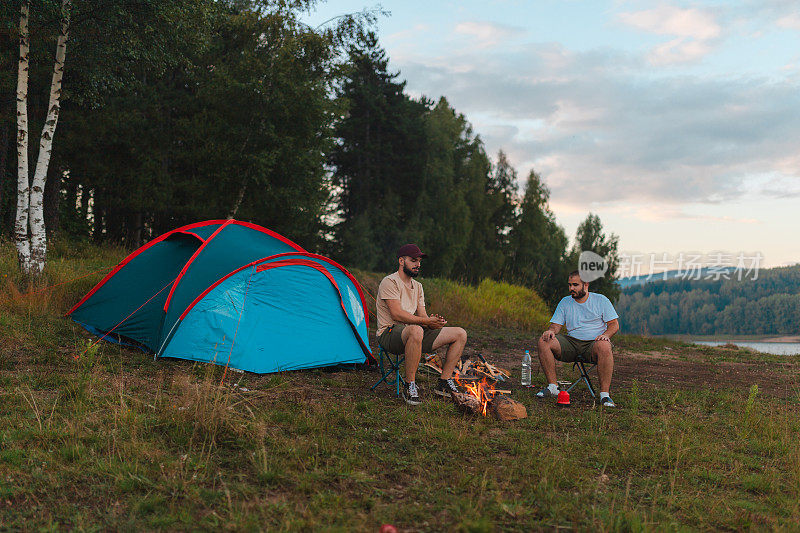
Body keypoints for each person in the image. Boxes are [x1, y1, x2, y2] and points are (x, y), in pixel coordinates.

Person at [376, 244, 468, 405]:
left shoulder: (418, 287)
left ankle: (444, 382)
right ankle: (410, 385)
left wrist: (434, 323)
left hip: (413, 333)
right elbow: (396, 314)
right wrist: (425, 322)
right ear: (401, 261)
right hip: (389, 334)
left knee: (460, 333)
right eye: (413, 260)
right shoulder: (390, 282)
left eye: (419, 261)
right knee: (416, 330)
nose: (418, 264)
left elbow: (422, 316)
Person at [535, 270, 620, 407]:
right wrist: (550, 331)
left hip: (594, 344)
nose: (571, 289)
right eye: (569, 285)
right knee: (544, 340)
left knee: (604, 345)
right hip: (571, 343)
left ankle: (605, 395)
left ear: (586, 285)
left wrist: (605, 335)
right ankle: (553, 387)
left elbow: (614, 325)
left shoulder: (601, 300)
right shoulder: (565, 302)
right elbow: (556, 325)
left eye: (575, 285)